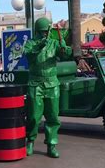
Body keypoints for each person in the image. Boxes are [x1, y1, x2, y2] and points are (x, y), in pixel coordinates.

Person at [24, 17, 72, 158]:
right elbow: (28, 55)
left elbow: (64, 55)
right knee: (33, 116)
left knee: (53, 117)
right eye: (41, 32)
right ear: (37, 31)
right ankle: (30, 141)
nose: (44, 34)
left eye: (46, 31)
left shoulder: (53, 43)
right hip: (35, 84)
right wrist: (39, 46)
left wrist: (64, 48)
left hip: (52, 84)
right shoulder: (30, 43)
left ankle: (51, 145)